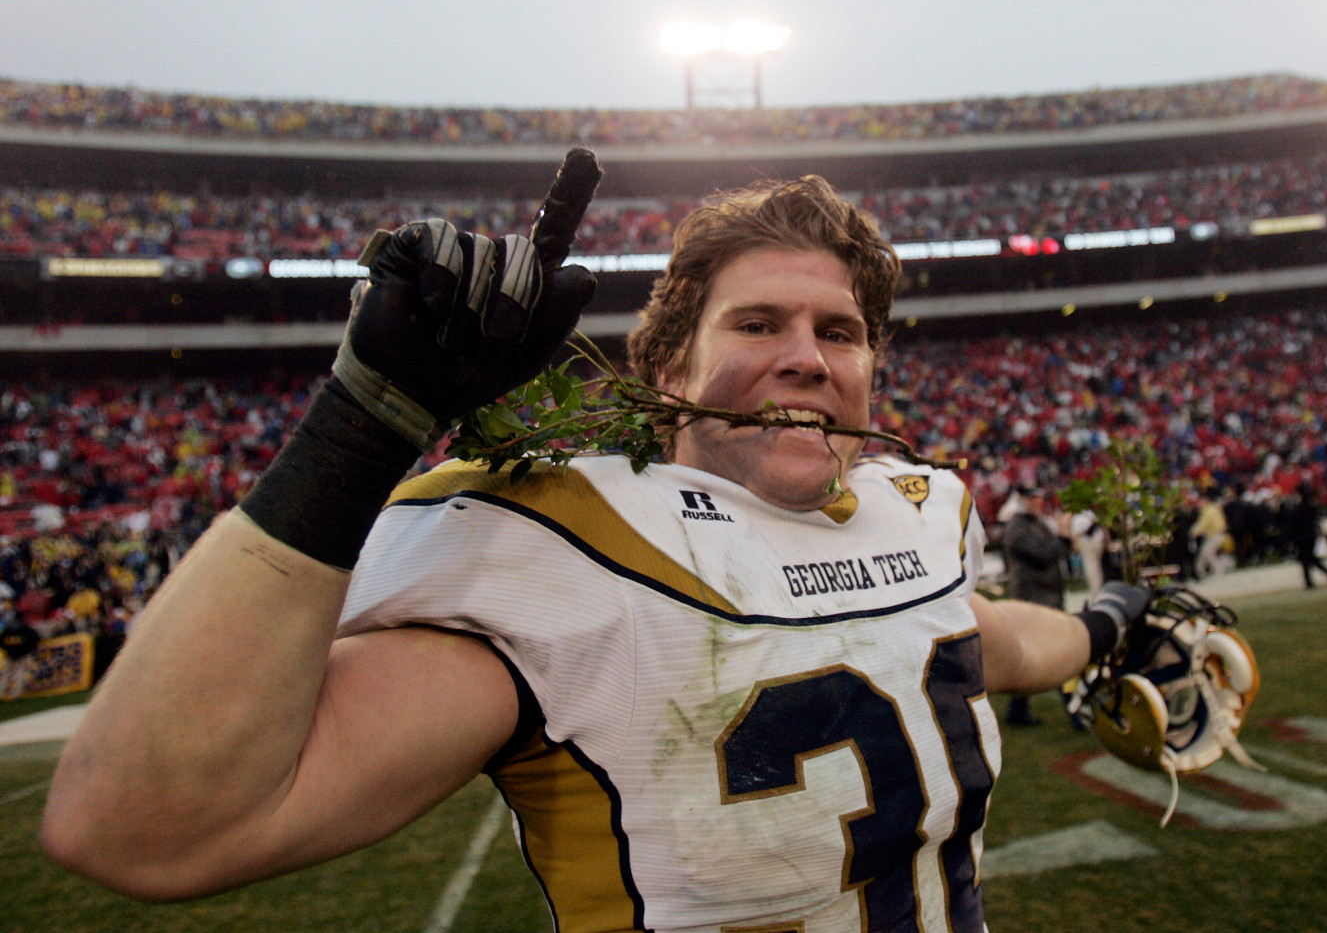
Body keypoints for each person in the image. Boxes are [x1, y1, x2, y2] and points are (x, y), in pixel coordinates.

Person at [41, 157, 1149, 933]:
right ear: (663, 369)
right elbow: (143, 826)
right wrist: (365, 419)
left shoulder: (913, 512)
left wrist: (1101, 625)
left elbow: (988, 637)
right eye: (756, 323)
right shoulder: (581, 551)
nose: (807, 357)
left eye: (839, 332)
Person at [998, 487, 1070, 726]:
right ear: (1022, 500)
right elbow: (1044, 555)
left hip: (1044, 595)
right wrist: (1063, 535)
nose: (1038, 502)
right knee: (1059, 652)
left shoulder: (1033, 524)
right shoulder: (1017, 528)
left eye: (1039, 497)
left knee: (1035, 654)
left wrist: (1062, 539)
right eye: (1032, 498)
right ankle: (1074, 708)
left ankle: (1017, 710)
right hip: (1035, 598)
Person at [1284, 483, 1327, 589]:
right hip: (1310, 535)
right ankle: (1314, 579)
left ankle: (1311, 580)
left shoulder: (1299, 507)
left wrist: (1290, 535)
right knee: (1308, 558)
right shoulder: (1310, 505)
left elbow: (1294, 522)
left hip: (1302, 536)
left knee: (1306, 558)